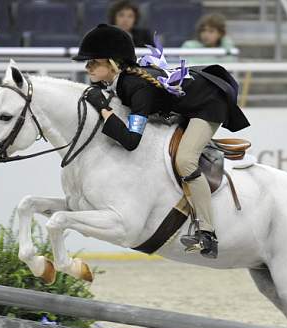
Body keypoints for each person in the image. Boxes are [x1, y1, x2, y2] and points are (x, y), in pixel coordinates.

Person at [73, 24, 249, 259]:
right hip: (188, 101)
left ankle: (207, 233)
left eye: (93, 62)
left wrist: (103, 109)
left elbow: (131, 140)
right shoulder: (123, 81)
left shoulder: (136, 87)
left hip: (208, 105)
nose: (87, 67)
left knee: (185, 160)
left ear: (112, 63)